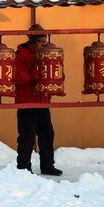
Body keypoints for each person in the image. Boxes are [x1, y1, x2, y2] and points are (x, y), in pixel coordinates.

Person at [14, 24, 63, 176]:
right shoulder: (21, 54)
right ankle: (23, 168)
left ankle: (47, 165)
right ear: (32, 41)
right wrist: (36, 72)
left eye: (45, 40)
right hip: (27, 101)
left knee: (47, 134)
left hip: (42, 100)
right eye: (41, 41)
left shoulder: (48, 53)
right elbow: (18, 77)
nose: (44, 44)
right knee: (27, 136)